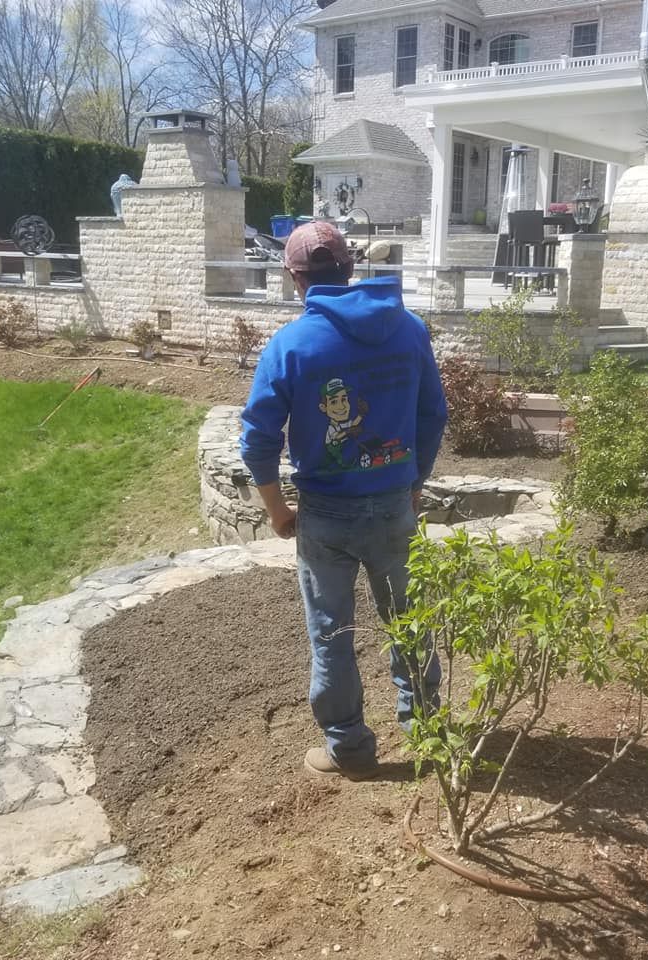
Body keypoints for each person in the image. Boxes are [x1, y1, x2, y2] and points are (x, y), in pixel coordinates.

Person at [240, 221, 446, 781]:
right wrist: (414, 479)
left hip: (326, 516)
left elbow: (257, 439)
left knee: (331, 632)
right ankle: (428, 736)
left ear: (293, 277)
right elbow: (434, 414)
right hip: (393, 505)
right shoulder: (409, 329)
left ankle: (349, 750)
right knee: (410, 622)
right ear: (350, 269)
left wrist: (277, 510)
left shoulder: (290, 345)